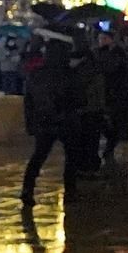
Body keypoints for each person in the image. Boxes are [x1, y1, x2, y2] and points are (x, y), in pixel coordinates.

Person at [20, 28, 83, 204]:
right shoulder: (69, 74)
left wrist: (30, 122)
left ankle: (27, 189)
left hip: (44, 121)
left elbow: (29, 100)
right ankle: (70, 191)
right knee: (71, 158)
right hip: (66, 121)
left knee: (38, 156)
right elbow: (78, 98)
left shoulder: (37, 73)